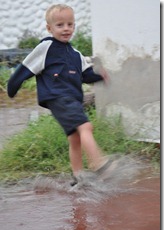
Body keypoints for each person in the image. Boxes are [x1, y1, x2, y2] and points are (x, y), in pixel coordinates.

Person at [7, 4, 111, 186]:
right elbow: (26, 68)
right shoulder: (46, 47)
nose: (66, 29)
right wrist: (12, 87)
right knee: (86, 127)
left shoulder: (75, 53)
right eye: (60, 25)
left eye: (70, 24)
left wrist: (99, 77)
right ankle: (99, 164)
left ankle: (78, 177)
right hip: (57, 97)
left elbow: (85, 75)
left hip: (71, 99)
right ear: (49, 28)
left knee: (75, 137)